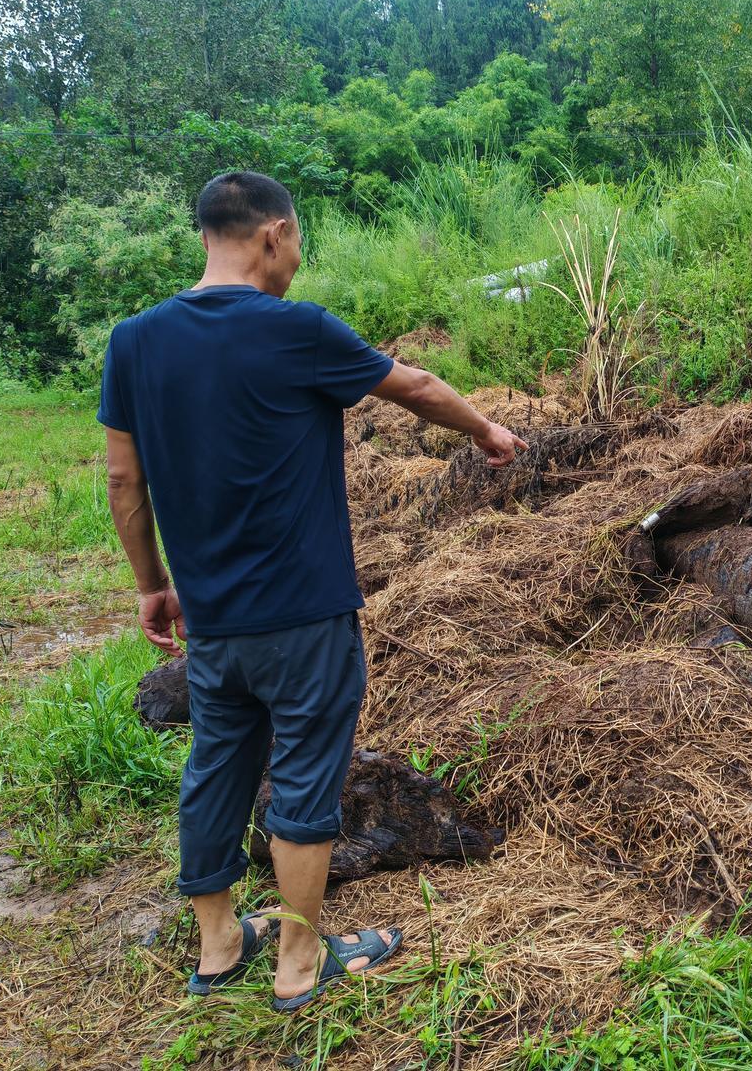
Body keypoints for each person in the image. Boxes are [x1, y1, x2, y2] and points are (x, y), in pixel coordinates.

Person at [100, 170, 527, 1012]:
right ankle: (301, 961)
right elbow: (411, 385)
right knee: (303, 773)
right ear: (272, 234)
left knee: (216, 766)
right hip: (303, 611)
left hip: (213, 621)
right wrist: (485, 428)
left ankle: (219, 946)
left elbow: (123, 480)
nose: (297, 257)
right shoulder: (295, 330)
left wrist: (153, 586)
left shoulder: (135, 341)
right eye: (297, 241)